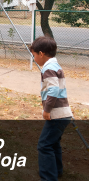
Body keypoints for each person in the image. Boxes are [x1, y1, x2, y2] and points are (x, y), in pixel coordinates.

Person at [30, 36, 73, 181]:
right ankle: (57, 171)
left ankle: (49, 177)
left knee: (44, 145)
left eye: (34, 55)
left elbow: (53, 91)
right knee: (53, 143)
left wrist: (47, 110)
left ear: (41, 54)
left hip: (56, 114)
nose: (34, 58)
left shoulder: (48, 68)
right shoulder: (55, 65)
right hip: (64, 113)